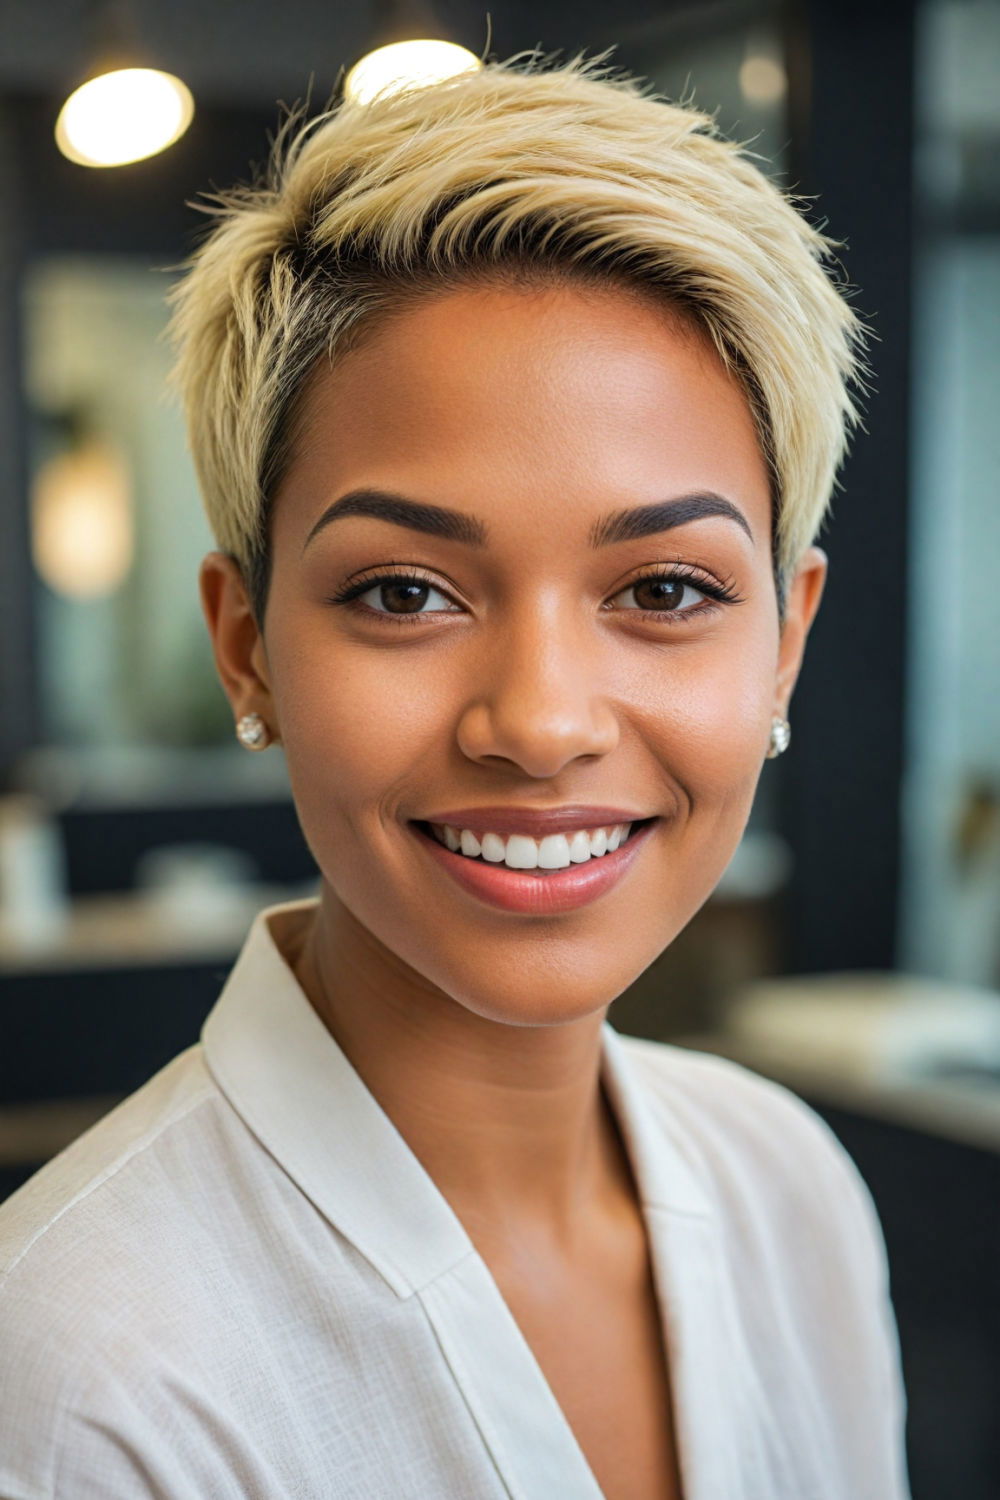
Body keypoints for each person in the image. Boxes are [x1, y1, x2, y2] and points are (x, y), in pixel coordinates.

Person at [0, 50, 910, 1500]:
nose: (540, 723)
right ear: (245, 649)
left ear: (787, 645)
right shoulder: (81, 1369)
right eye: (407, 594)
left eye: (666, 590)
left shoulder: (788, 1189)